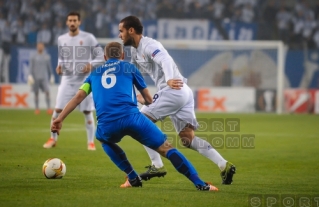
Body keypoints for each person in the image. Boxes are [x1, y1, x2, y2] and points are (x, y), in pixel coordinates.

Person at [50, 42, 218, 191]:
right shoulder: (130, 68)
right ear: (122, 55)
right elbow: (148, 99)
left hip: (108, 123)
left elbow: (78, 97)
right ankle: (200, 184)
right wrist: (141, 99)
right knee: (167, 148)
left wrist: (59, 118)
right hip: (133, 118)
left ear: (104, 56)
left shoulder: (94, 74)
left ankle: (132, 176)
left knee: (104, 139)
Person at [118, 16, 236, 184]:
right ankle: (223, 165)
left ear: (131, 30)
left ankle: (157, 165)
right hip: (181, 93)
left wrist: (168, 79)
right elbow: (139, 76)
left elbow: (165, 59)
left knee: (139, 122)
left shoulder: (150, 45)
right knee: (188, 138)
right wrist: (144, 96)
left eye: (121, 31)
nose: (119, 35)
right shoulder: (135, 51)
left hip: (173, 89)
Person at [43, 11, 104, 150]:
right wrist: (59, 66)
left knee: (87, 112)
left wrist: (91, 65)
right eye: (70, 20)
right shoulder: (61, 39)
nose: (72, 23)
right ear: (66, 22)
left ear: (79, 22)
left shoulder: (88, 38)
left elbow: (101, 56)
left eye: (74, 20)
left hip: (84, 80)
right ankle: (53, 139)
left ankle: (90, 142)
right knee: (57, 110)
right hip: (67, 80)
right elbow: (61, 58)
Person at [28, 42, 54, 115]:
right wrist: (30, 75)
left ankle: (49, 108)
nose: (40, 47)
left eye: (41, 46)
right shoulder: (33, 56)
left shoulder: (46, 56)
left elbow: (49, 67)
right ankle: (37, 109)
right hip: (36, 77)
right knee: (36, 93)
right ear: (37, 47)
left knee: (47, 92)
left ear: (43, 47)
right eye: (39, 46)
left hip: (44, 77)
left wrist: (51, 75)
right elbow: (31, 66)